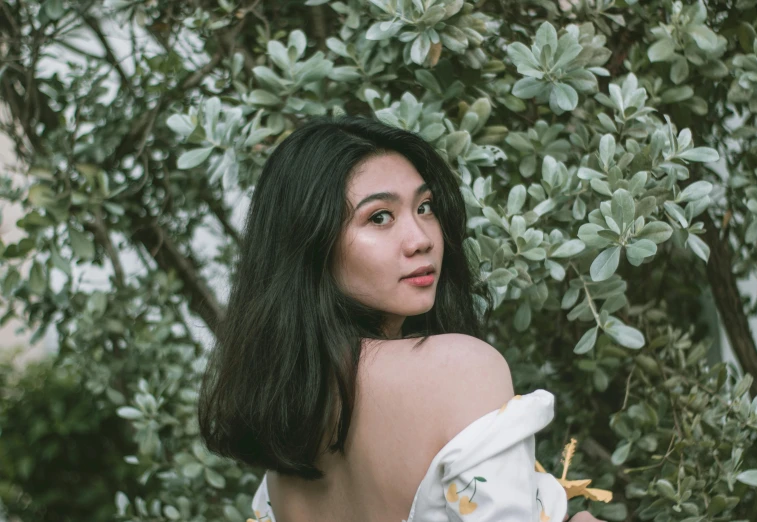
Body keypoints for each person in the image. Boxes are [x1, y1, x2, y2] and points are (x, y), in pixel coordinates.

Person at [197, 115, 605, 522]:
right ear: (311, 245)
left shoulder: (282, 462)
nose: (421, 238)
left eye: (425, 207)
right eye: (379, 217)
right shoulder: (458, 369)